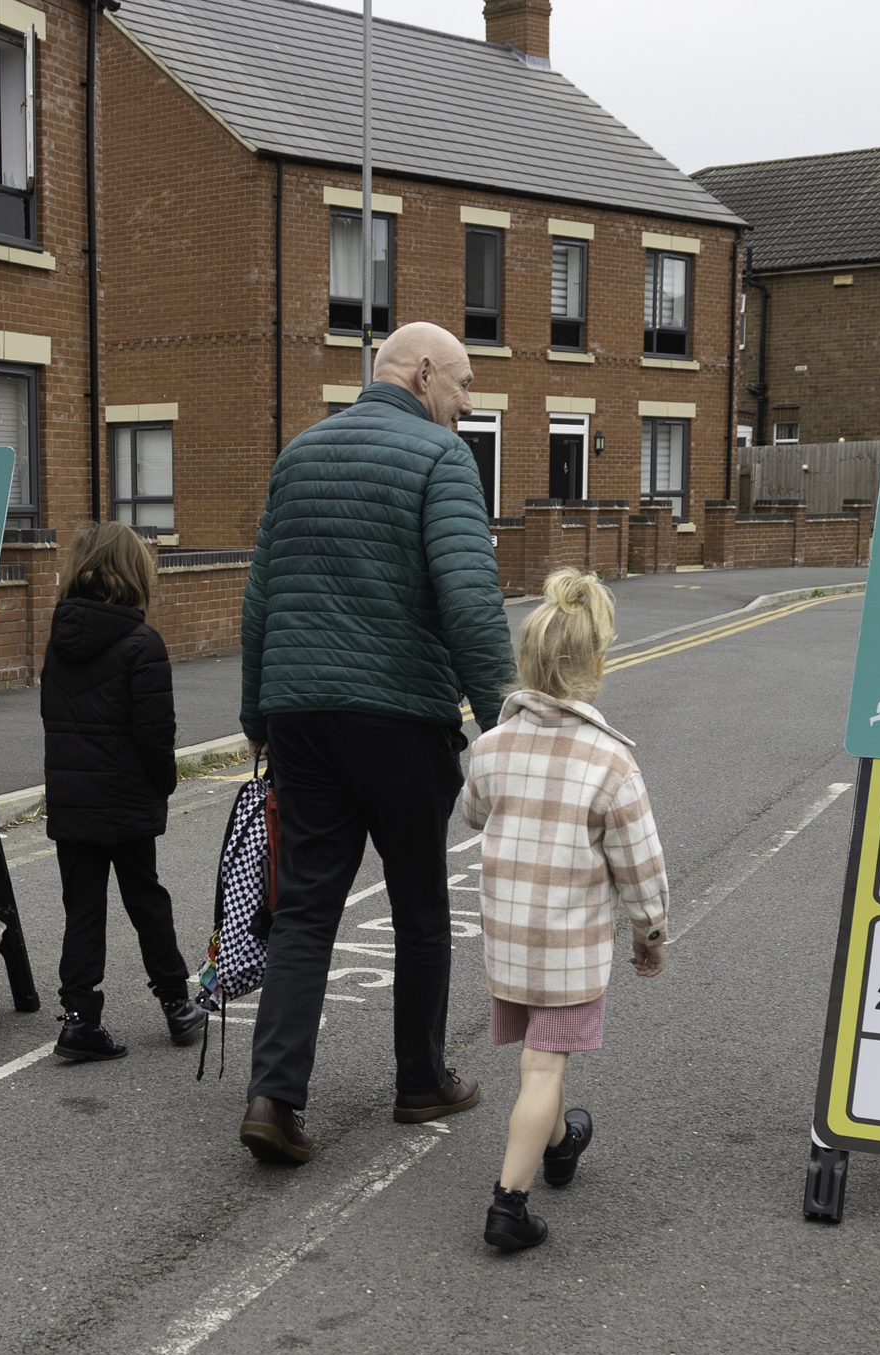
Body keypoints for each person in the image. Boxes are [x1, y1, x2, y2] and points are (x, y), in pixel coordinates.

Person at [235, 321, 516, 1164]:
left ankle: (274, 1100)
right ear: (423, 371)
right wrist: (508, 726)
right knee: (422, 909)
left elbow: (259, 597)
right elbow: (469, 600)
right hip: (398, 717)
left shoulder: (300, 454)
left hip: (301, 718)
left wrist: (259, 716)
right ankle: (420, 1080)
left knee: (306, 912)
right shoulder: (439, 460)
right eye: (464, 386)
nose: (467, 408)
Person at [460, 570, 668, 1252]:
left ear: (525, 662)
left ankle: (559, 1141)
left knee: (538, 1067)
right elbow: (639, 864)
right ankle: (508, 1208)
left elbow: (473, 814)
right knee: (544, 1069)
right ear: (597, 666)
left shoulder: (490, 747)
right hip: (570, 943)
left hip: (510, 940)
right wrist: (650, 933)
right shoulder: (610, 762)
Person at [40, 520, 209, 1060]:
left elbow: (52, 716)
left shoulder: (58, 636)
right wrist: (164, 784)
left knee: (82, 909)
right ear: (133, 573)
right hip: (129, 798)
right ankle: (176, 1005)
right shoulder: (142, 642)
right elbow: (154, 733)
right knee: (147, 902)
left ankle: (78, 1020)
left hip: (73, 797)